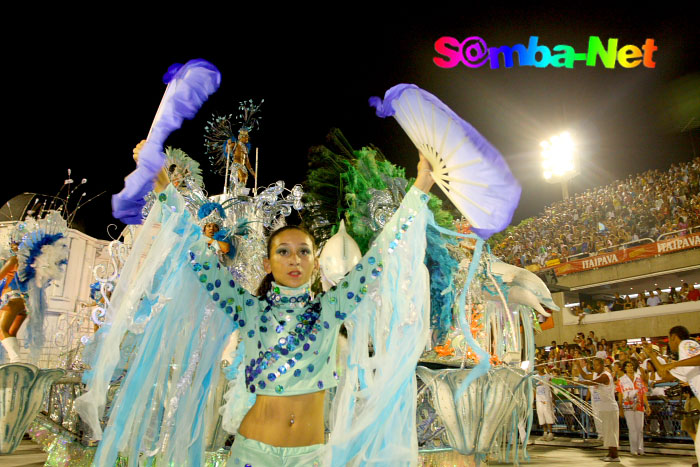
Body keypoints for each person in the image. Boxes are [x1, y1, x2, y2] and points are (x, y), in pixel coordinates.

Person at [78, 152, 437, 465]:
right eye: (283, 251)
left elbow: (381, 253)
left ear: (316, 263)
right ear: (268, 264)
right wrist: (163, 189)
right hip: (253, 456)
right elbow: (197, 251)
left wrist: (421, 187)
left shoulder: (332, 309)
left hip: (309, 457)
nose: (294, 259)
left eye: (304, 251)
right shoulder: (248, 310)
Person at [644, 326, 700, 464]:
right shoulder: (686, 361)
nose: (669, 344)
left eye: (669, 340)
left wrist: (674, 364)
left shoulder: (686, 344)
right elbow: (665, 373)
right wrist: (651, 354)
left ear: (674, 337)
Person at [578, 358, 620, 462]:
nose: (595, 367)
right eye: (594, 365)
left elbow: (593, 382)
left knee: (611, 432)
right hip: (604, 408)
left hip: (609, 408)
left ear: (602, 365)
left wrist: (581, 382)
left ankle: (614, 455)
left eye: (597, 365)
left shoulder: (605, 375)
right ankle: (610, 453)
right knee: (607, 432)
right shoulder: (598, 375)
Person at [617, 361, 651, 455]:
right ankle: (634, 449)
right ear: (625, 368)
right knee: (632, 428)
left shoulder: (639, 379)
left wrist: (647, 405)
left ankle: (640, 448)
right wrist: (620, 407)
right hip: (628, 406)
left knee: (640, 428)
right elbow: (620, 393)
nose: (630, 367)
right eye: (628, 366)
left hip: (639, 405)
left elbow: (643, 393)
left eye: (631, 366)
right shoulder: (621, 380)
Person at [0, 243, 26, 362]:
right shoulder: (29, 262)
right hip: (24, 302)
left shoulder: (14, 259)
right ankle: (15, 361)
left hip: (13, 298)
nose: (11, 245)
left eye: (14, 242)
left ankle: (15, 360)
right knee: (10, 333)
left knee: (1, 330)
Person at [535, 364, 556, 441]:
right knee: (541, 415)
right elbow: (534, 388)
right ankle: (545, 432)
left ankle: (550, 433)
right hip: (539, 400)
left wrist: (553, 398)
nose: (541, 367)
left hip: (546, 399)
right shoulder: (535, 377)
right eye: (540, 366)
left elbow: (551, 386)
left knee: (548, 414)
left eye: (543, 366)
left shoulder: (547, 376)